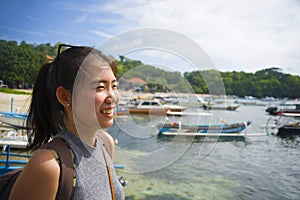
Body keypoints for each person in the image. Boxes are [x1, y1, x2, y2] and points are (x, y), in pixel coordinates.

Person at [9, 45, 125, 199]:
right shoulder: (48, 165)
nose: (113, 97)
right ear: (65, 97)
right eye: (100, 87)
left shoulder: (106, 144)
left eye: (114, 86)